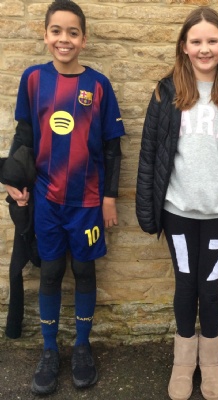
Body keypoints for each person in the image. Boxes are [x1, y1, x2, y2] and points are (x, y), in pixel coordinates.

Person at [136, 6, 218, 400]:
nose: (204, 48)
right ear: (184, 46)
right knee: (185, 286)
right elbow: (149, 154)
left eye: (212, 40)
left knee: (210, 289)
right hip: (177, 214)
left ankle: (210, 362)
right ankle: (182, 362)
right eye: (196, 41)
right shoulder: (166, 93)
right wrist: (147, 211)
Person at [5, 0, 125, 395]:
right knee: (51, 272)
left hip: (87, 203)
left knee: (85, 272)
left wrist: (109, 198)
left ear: (84, 39)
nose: (64, 39)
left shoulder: (99, 85)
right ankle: (50, 350)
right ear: (45, 35)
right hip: (47, 201)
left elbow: (112, 149)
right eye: (56, 31)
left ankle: (83, 347)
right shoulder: (33, 79)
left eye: (73, 32)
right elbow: (24, 135)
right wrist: (13, 180)